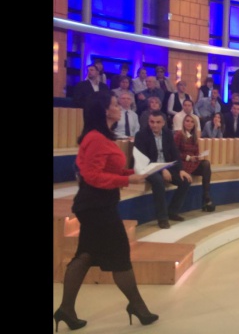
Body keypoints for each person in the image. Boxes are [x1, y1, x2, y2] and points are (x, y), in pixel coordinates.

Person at [54, 91, 158, 332]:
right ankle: (137, 306)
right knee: (120, 255)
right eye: (115, 104)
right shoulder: (95, 138)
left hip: (98, 204)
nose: (120, 107)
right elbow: (92, 177)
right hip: (96, 206)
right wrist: (128, 180)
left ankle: (66, 310)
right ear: (103, 110)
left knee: (85, 255)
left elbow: (107, 170)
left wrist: (133, 173)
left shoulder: (100, 137)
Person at [134, 111, 192, 229]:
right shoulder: (141, 135)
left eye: (158, 122)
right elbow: (143, 159)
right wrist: (161, 170)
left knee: (185, 181)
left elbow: (175, 152)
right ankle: (162, 218)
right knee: (158, 181)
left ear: (163, 123)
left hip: (165, 166)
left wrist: (181, 169)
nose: (154, 125)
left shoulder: (167, 133)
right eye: (152, 122)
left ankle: (172, 212)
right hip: (147, 167)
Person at [173, 114, 215, 212]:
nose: (189, 123)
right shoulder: (179, 134)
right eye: (187, 121)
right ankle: (206, 200)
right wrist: (188, 157)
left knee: (206, 164)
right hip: (183, 163)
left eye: (192, 122)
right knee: (205, 166)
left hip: (193, 162)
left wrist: (197, 157)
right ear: (183, 122)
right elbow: (174, 152)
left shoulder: (194, 136)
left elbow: (196, 151)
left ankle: (206, 195)